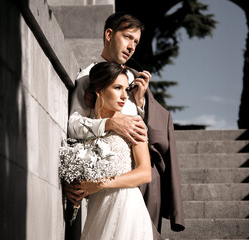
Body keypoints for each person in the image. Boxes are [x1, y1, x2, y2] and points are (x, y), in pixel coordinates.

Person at [64, 12, 185, 237]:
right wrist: (110, 124)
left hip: (135, 185)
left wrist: (139, 105)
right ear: (109, 34)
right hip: (102, 196)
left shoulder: (134, 81)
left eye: (136, 42)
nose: (132, 46)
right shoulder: (88, 78)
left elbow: (139, 133)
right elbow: (74, 125)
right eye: (128, 37)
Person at [76, 62, 153, 239]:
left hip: (126, 207)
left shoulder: (133, 123)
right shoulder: (86, 127)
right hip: (97, 211)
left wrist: (102, 183)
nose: (124, 96)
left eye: (126, 89)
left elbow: (145, 173)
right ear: (99, 90)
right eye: (117, 88)